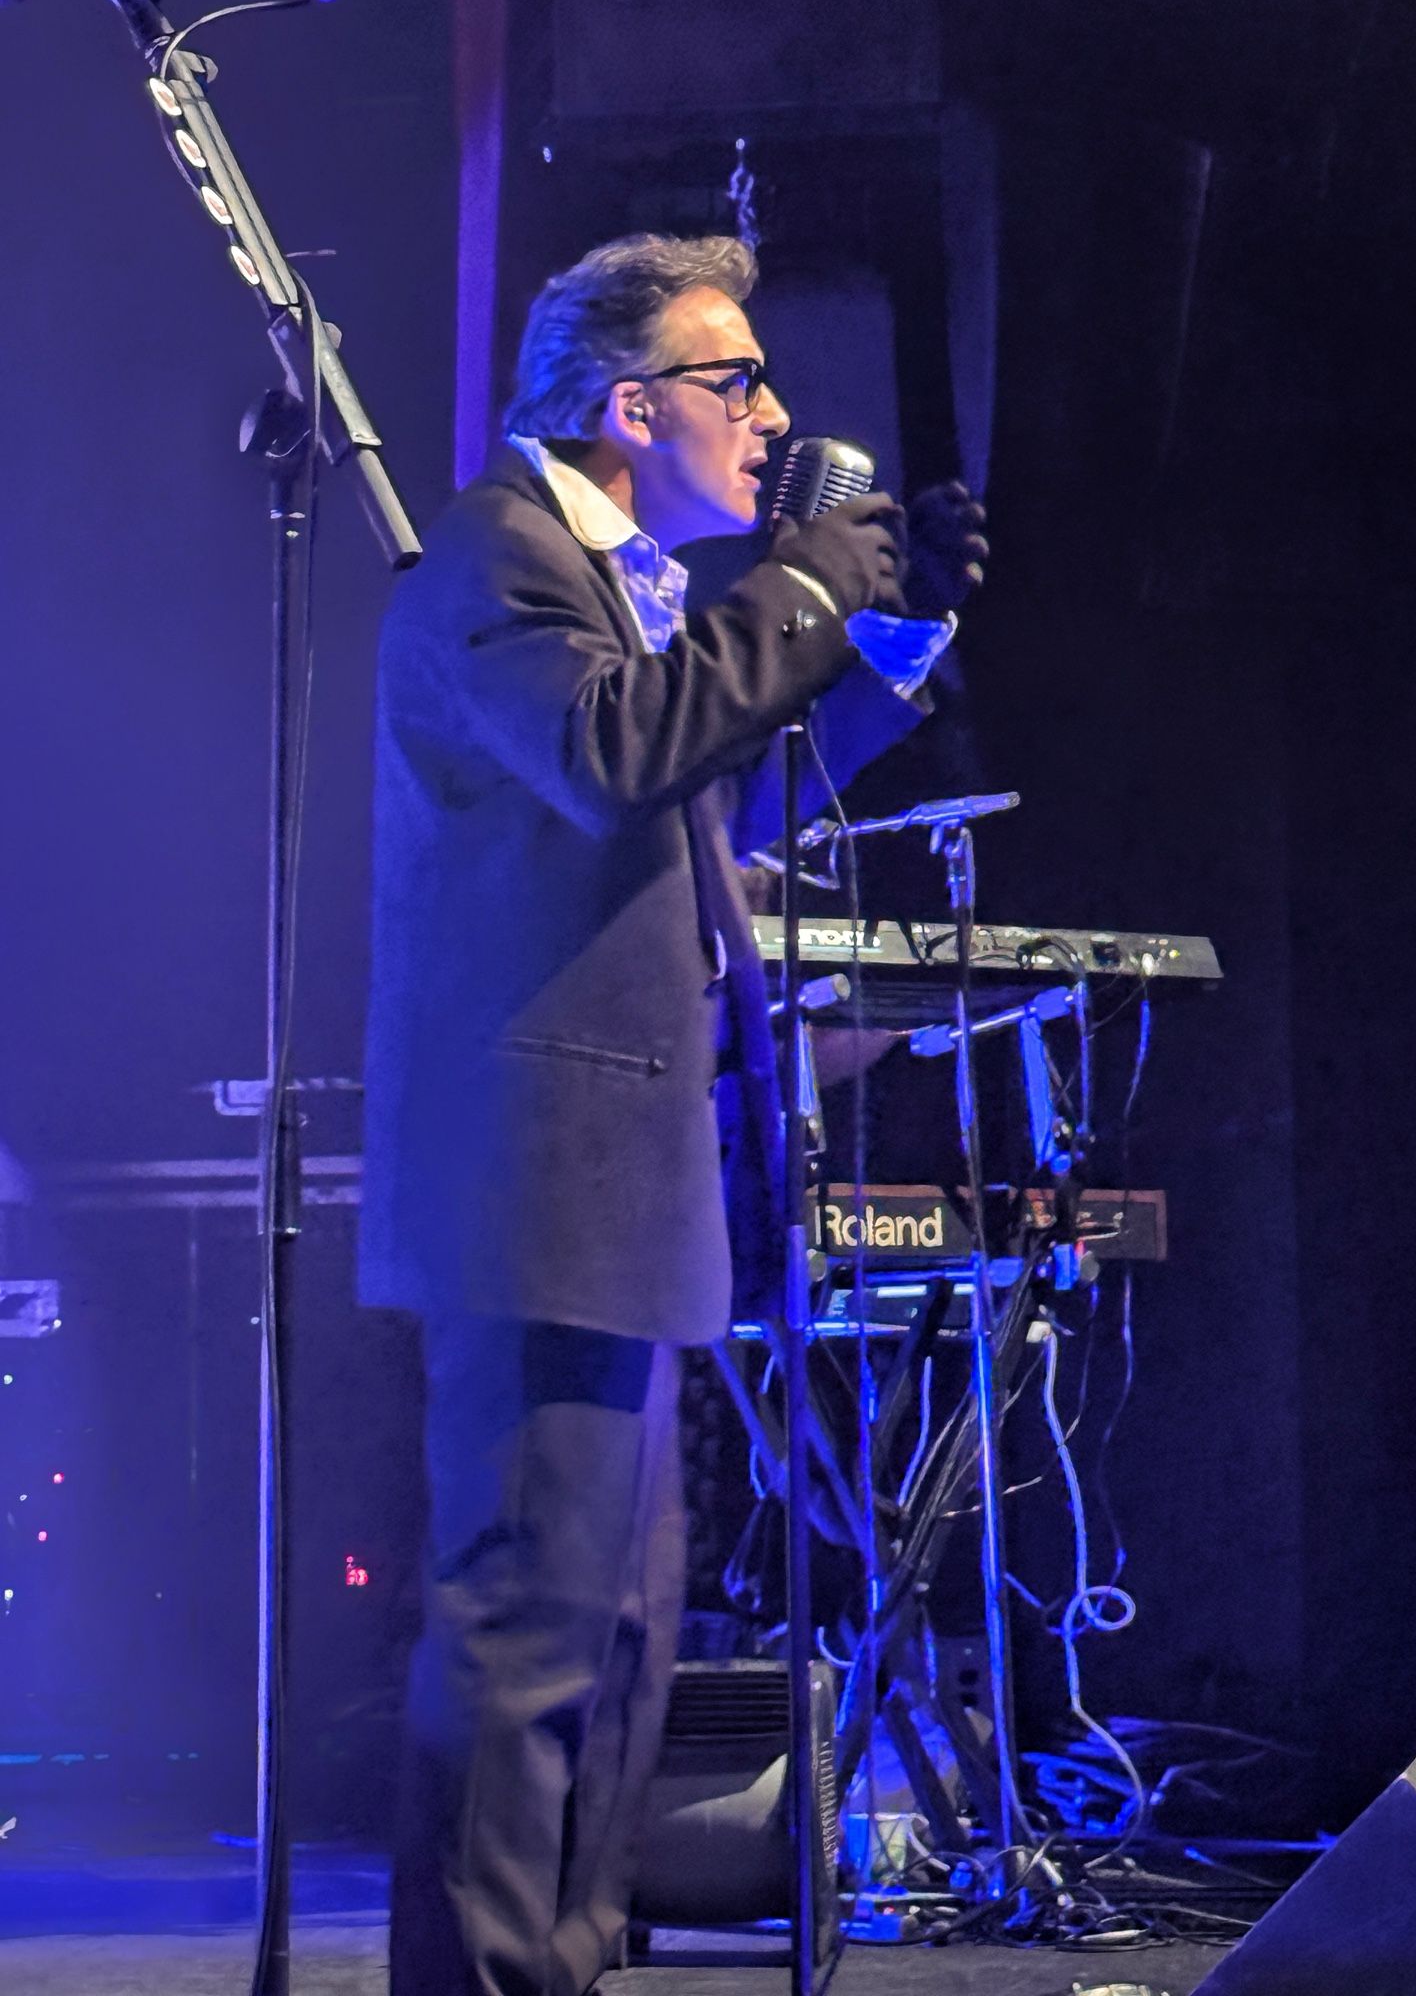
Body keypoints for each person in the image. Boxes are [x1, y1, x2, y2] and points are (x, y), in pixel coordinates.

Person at [359, 231, 986, 1996]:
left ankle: (561, 1962)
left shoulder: (621, 584)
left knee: (623, 1638)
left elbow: (719, 777)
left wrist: (894, 629)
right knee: (526, 1635)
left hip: (622, 1184)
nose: (776, 414)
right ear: (634, 406)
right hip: (532, 1182)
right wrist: (791, 590)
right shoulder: (498, 556)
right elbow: (614, 755)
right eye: (743, 380)